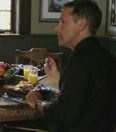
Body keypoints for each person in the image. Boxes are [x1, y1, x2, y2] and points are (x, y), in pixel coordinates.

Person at [26, 1, 116, 132]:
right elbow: (88, 93)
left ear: (82, 24)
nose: (56, 28)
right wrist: (59, 77)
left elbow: (62, 114)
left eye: (62, 22)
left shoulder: (80, 62)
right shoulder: (105, 56)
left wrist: (38, 103)